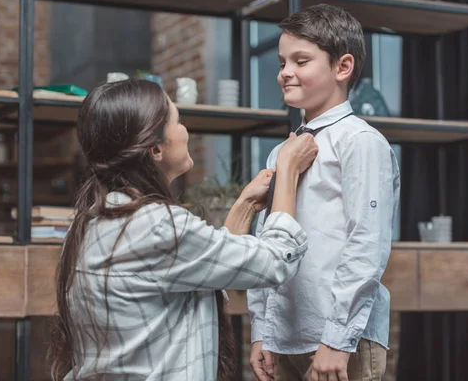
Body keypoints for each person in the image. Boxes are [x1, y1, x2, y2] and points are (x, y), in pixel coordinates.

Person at [47, 78, 319, 381]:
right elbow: (277, 260)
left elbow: (207, 269)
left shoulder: (91, 221)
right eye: (178, 121)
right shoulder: (155, 225)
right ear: (155, 149)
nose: (186, 131)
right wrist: (289, 173)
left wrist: (244, 205)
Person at [248, 3, 401, 381]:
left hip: (340, 341)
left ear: (342, 67)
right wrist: (260, 331)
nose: (285, 73)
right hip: (283, 338)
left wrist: (337, 340)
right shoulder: (280, 152)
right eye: (283, 62)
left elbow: (366, 246)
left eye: (301, 61)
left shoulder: (361, 142)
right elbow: (267, 244)